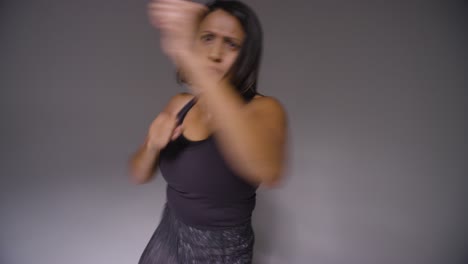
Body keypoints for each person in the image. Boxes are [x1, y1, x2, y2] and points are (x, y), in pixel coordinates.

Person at [128, 0, 288, 263]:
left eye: (231, 43)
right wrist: (152, 146)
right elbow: (138, 174)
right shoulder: (180, 104)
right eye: (207, 38)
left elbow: (268, 170)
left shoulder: (264, 109)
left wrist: (189, 58)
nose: (215, 53)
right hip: (168, 235)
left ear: (246, 55)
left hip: (220, 251)